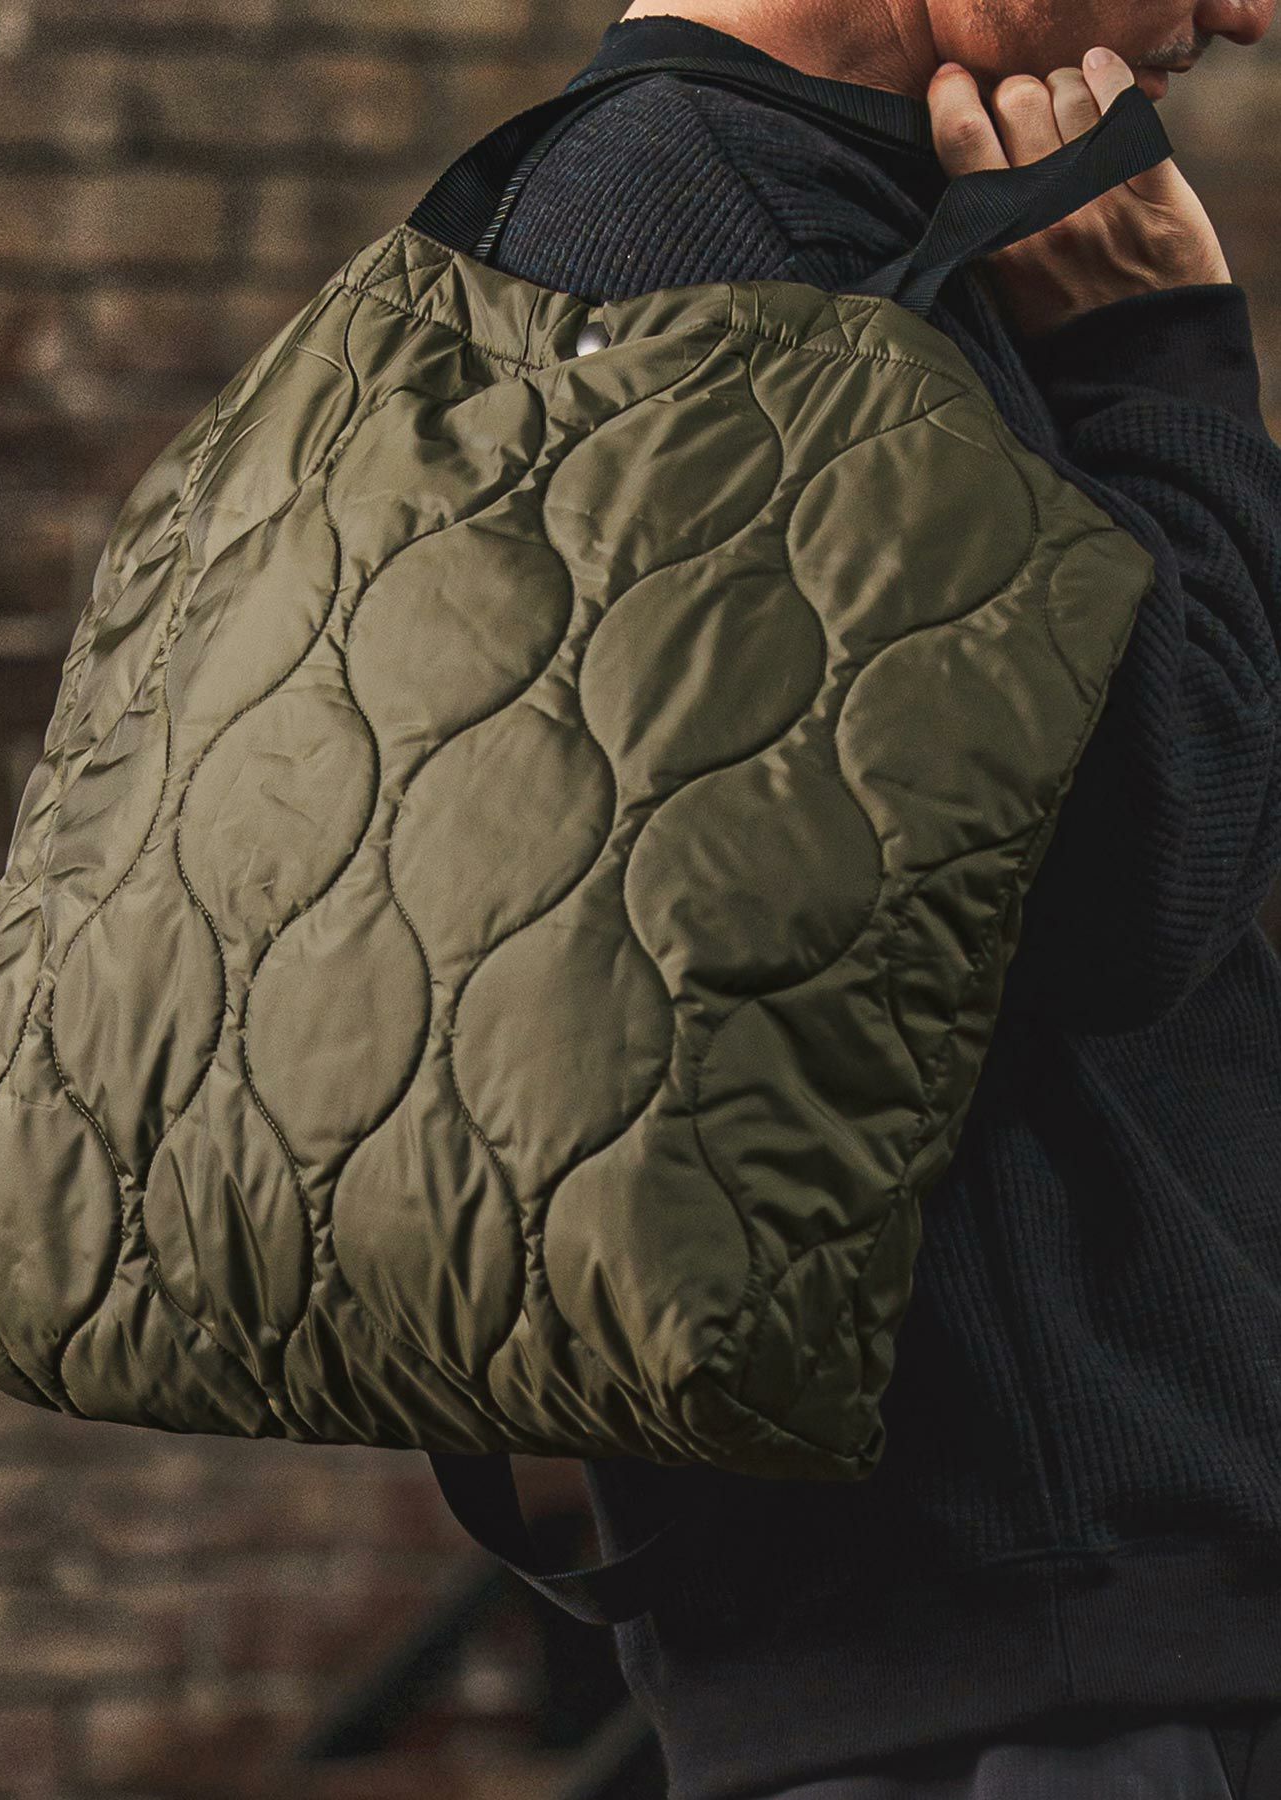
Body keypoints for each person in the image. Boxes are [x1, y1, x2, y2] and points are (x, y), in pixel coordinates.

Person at [485, 4, 1281, 1797]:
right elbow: (1151, 860)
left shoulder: (746, 215)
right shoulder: (715, 239)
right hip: (1022, 1670)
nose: (1241, 11)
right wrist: (1162, 364)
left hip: (1036, 1640)